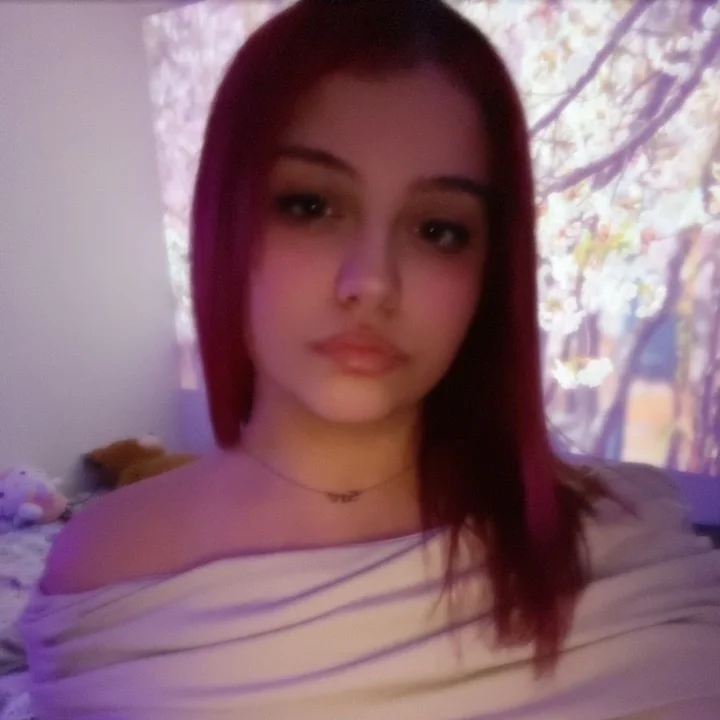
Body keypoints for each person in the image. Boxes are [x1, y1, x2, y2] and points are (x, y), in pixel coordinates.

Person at [20, 1, 720, 718]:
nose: (372, 282)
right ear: (225, 220)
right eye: (311, 206)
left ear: (488, 269)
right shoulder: (102, 568)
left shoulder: (631, 550)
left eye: (438, 229)